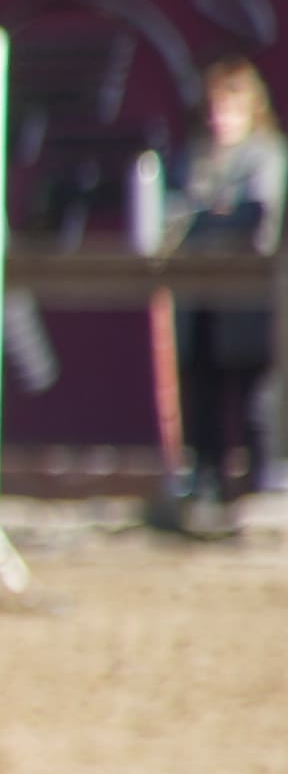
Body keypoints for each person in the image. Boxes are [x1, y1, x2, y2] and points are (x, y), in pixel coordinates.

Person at [169, 57, 280, 509]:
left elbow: (255, 217)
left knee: (253, 391)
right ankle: (206, 476)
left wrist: (206, 221)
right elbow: (173, 214)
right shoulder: (194, 155)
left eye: (230, 108)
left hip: (249, 292)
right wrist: (205, 220)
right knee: (201, 385)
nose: (220, 119)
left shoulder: (266, 154)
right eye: (214, 108)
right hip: (200, 291)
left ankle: (260, 478)